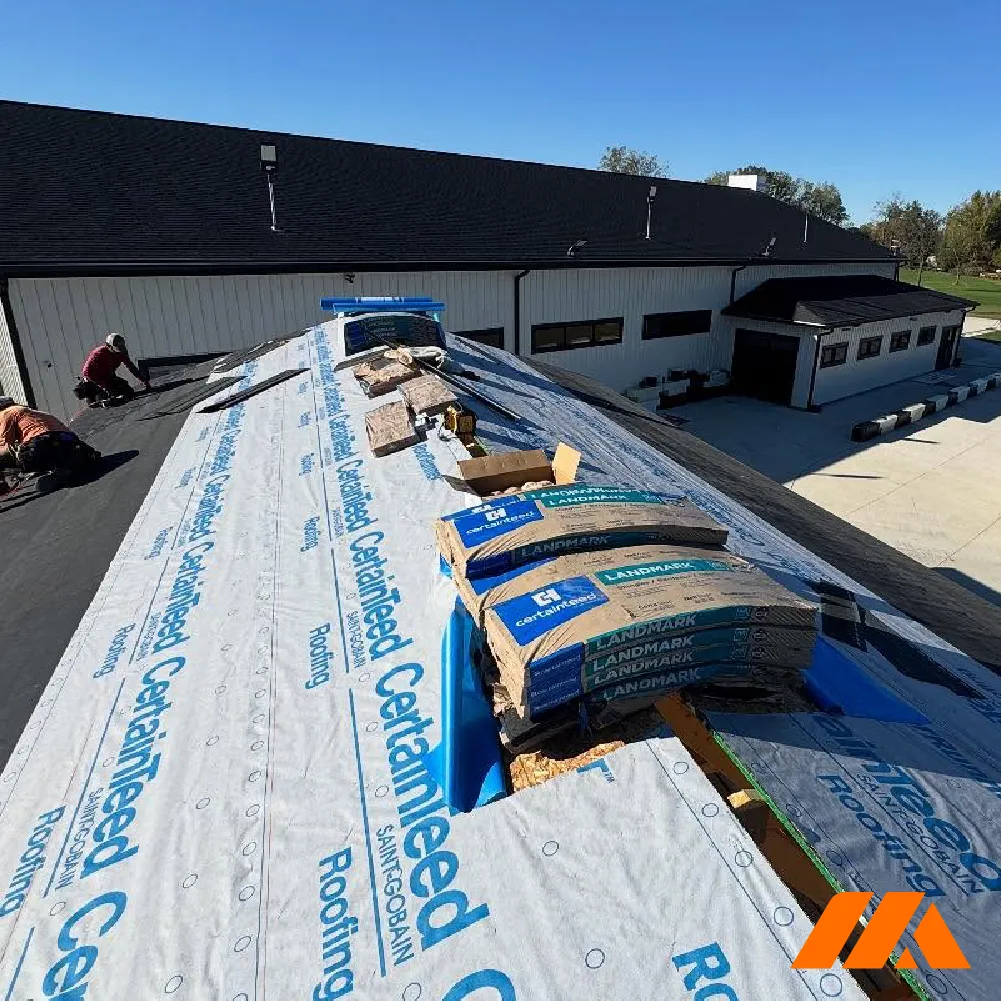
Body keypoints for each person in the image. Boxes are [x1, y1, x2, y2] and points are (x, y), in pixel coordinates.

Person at [0, 397, 100, 480]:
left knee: (22, 458)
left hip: (42, 442)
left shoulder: (6, 413)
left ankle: (51, 464)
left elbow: (4, 444)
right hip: (69, 440)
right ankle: (77, 457)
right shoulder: (32, 412)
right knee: (50, 449)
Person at [77, 333, 150, 405]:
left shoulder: (121, 352)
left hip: (108, 377)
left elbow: (130, 366)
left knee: (128, 392)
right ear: (109, 346)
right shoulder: (99, 353)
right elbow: (87, 372)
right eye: (117, 348)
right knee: (111, 399)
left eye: (121, 347)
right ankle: (98, 401)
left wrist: (143, 380)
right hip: (94, 381)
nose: (120, 351)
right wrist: (104, 387)